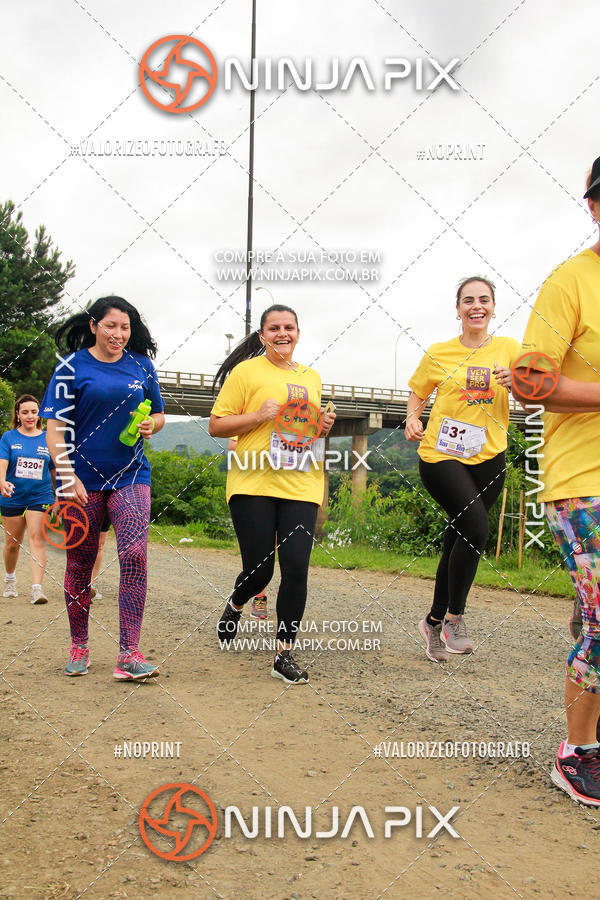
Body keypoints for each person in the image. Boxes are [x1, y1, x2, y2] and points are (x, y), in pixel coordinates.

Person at [513, 157, 600, 805]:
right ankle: (578, 753)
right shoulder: (572, 281)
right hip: (584, 479)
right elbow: (531, 380)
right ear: (594, 206)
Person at [209, 304, 335, 684]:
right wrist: (258, 416)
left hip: (301, 482)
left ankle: (283, 653)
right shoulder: (246, 372)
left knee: (296, 565)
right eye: (274, 328)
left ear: (298, 333)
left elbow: (304, 432)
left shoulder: (311, 377)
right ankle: (235, 603)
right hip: (254, 481)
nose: (283, 333)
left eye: (290, 327)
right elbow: (217, 424)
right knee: (261, 571)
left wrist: (322, 426)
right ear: (262, 336)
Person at [41, 296, 165, 679]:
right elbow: (54, 430)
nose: (118, 334)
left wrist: (152, 426)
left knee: (135, 555)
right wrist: (66, 475)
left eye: (125, 328)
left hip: (130, 475)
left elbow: (158, 413)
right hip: (80, 480)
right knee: (80, 563)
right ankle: (79, 646)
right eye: (111, 326)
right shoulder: (70, 368)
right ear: (94, 325)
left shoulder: (141, 367)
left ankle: (129, 653)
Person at [406, 277, 521, 661]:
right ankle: (455, 617)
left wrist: (517, 382)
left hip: (490, 455)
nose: (476, 306)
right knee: (476, 528)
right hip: (442, 454)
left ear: (493, 307)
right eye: (468, 300)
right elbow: (418, 393)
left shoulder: (509, 349)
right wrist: (411, 418)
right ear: (457, 309)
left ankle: (433, 622)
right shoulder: (440, 352)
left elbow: (532, 393)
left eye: (484, 300)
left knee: (458, 537)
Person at [0, 395, 55, 604]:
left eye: (34, 412)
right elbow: (2, 464)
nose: (30, 416)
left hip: (40, 495)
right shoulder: (9, 438)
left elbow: (54, 471)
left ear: (39, 414)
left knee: (36, 537)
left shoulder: (48, 438)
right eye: (25, 412)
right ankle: (10, 579)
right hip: (12, 495)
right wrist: (2, 482)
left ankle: (36, 589)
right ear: (18, 415)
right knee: (13, 544)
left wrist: (60, 495)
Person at [227, 437, 269, 620]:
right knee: (262, 556)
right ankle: (259, 602)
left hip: (284, 490)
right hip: (254, 490)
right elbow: (232, 448)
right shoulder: (250, 419)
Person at [90, 511, 111, 602]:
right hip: (87, 502)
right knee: (85, 542)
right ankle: (80, 584)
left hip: (106, 505)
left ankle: (90, 585)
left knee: (99, 545)